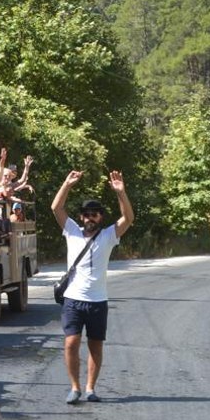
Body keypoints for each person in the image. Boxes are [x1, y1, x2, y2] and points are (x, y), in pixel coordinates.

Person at [51, 169, 134, 404]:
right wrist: (66, 184)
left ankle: (90, 388)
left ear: (100, 217)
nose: (90, 218)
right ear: (81, 217)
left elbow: (128, 218)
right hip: (73, 300)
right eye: (86, 214)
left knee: (95, 346)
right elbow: (56, 208)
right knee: (71, 342)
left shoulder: (109, 235)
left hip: (98, 301)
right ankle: (75, 387)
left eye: (95, 214)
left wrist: (121, 193)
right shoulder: (72, 231)